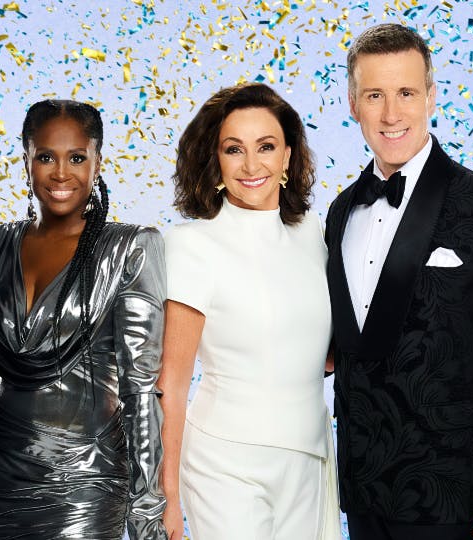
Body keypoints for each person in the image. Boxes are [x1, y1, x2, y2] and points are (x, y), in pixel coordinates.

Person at [324, 23, 473, 540]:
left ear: (431, 96)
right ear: (353, 104)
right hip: (360, 489)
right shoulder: (340, 212)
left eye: (406, 93)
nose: (391, 114)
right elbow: (347, 343)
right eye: (374, 95)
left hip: (456, 491)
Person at [0, 99, 167, 539]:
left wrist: (146, 513)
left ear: (98, 162)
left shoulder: (130, 248)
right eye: (46, 157)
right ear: (26, 160)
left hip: (85, 483)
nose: (61, 173)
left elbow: (140, 391)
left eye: (77, 157)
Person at [159, 83, 340, 540]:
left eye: (266, 147)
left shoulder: (312, 233)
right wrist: (167, 496)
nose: (252, 165)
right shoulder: (191, 245)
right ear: (215, 159)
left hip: (308, 455)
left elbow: (319, 350)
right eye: (234, 149)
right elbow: (172, 385)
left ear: (288, 155)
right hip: (223, 463)